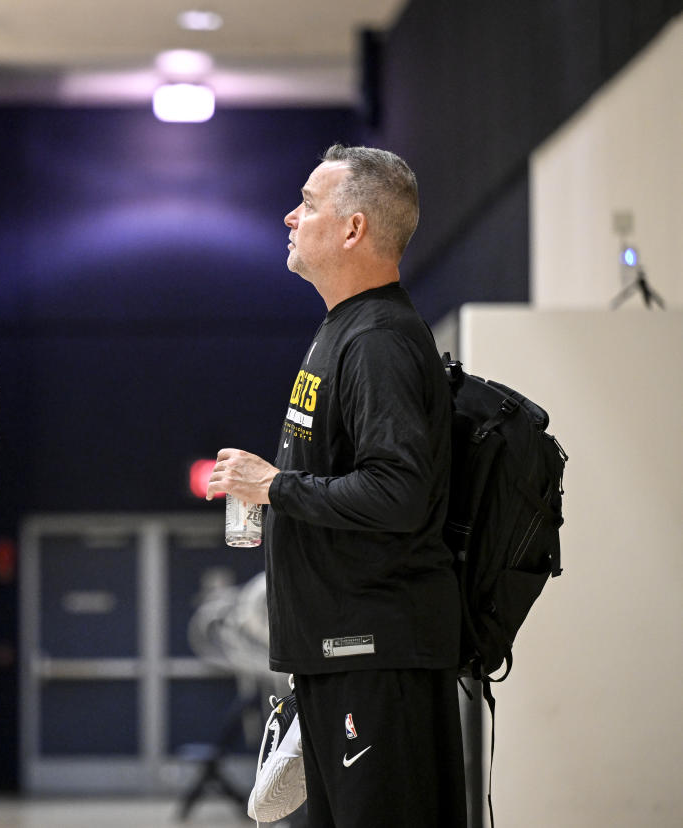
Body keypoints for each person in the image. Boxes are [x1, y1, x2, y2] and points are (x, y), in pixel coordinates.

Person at [207, 145, 466, 827]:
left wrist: (277, 488)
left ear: (353, 228)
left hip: (377, 661)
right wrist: (277, 494)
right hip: (337, 660)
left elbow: (398, 493)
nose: (291, 217)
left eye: (310, 203)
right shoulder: (342, 329)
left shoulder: (378, 338)